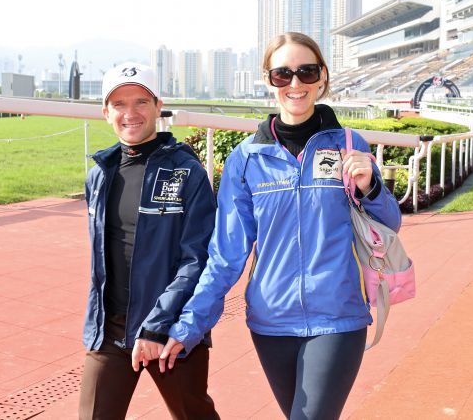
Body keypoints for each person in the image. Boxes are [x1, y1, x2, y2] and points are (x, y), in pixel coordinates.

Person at [160, 32, 402, 419]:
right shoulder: (247, 158)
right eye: (282, 75)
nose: (295, 84)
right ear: (268, 80)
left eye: (306, 72)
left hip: (338, 317)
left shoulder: (349, 145)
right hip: (270, 321)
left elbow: (389, 225)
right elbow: (227, 253)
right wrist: (190, 324)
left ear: (322, 76)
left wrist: (370, 186)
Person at [79, 62, 219, 420]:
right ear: (105, 112)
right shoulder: (99, 174)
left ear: (158, 106)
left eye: (141, 102)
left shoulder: (186, 172)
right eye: (119, 104)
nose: (131, 113)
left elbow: (197, 259)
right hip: (110, 330)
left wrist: (158, 326)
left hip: (171, 330)